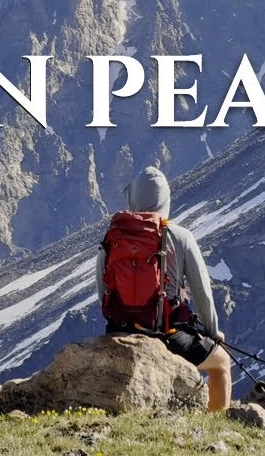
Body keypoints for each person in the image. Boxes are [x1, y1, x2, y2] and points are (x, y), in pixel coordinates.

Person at [95, 166, 233, 411]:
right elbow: (202, 293)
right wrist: (212, 332)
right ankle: (216, 426)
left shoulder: (112, 237)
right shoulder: (181, 236)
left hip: (119, 328)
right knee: (221, 364)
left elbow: (102, 289)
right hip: (166, 333)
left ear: (133, 198)